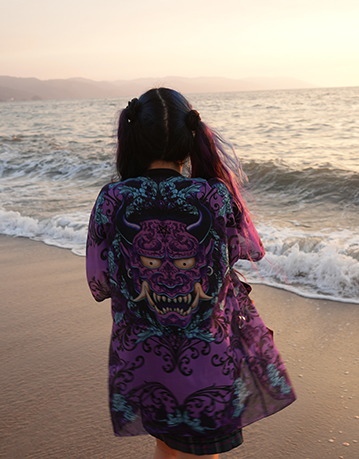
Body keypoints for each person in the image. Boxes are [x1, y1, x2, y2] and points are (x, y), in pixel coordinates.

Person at [86, 88, 295, 458]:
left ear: (132, 136)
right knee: (204, 450)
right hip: (206, 354)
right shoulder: (214, 195)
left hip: (145, 354)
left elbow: (99, 283)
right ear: (191, 137)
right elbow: (251, 249)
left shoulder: (112, 198)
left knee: (165, 446)